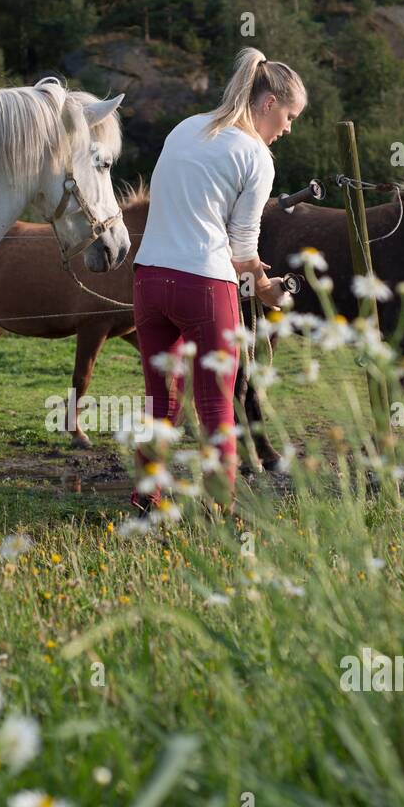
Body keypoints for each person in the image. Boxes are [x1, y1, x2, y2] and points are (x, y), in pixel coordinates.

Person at [129, 46, 307, 513]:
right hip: (205, 284)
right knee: (216, 404)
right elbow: (244, 247)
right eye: (289, 116)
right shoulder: (256, 157)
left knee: (160, 399)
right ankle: (220, 505)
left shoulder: (186, 127)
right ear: (269, 104)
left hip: (148, 280)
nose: (289, 129)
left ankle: (147, 497)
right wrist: (269, 290)